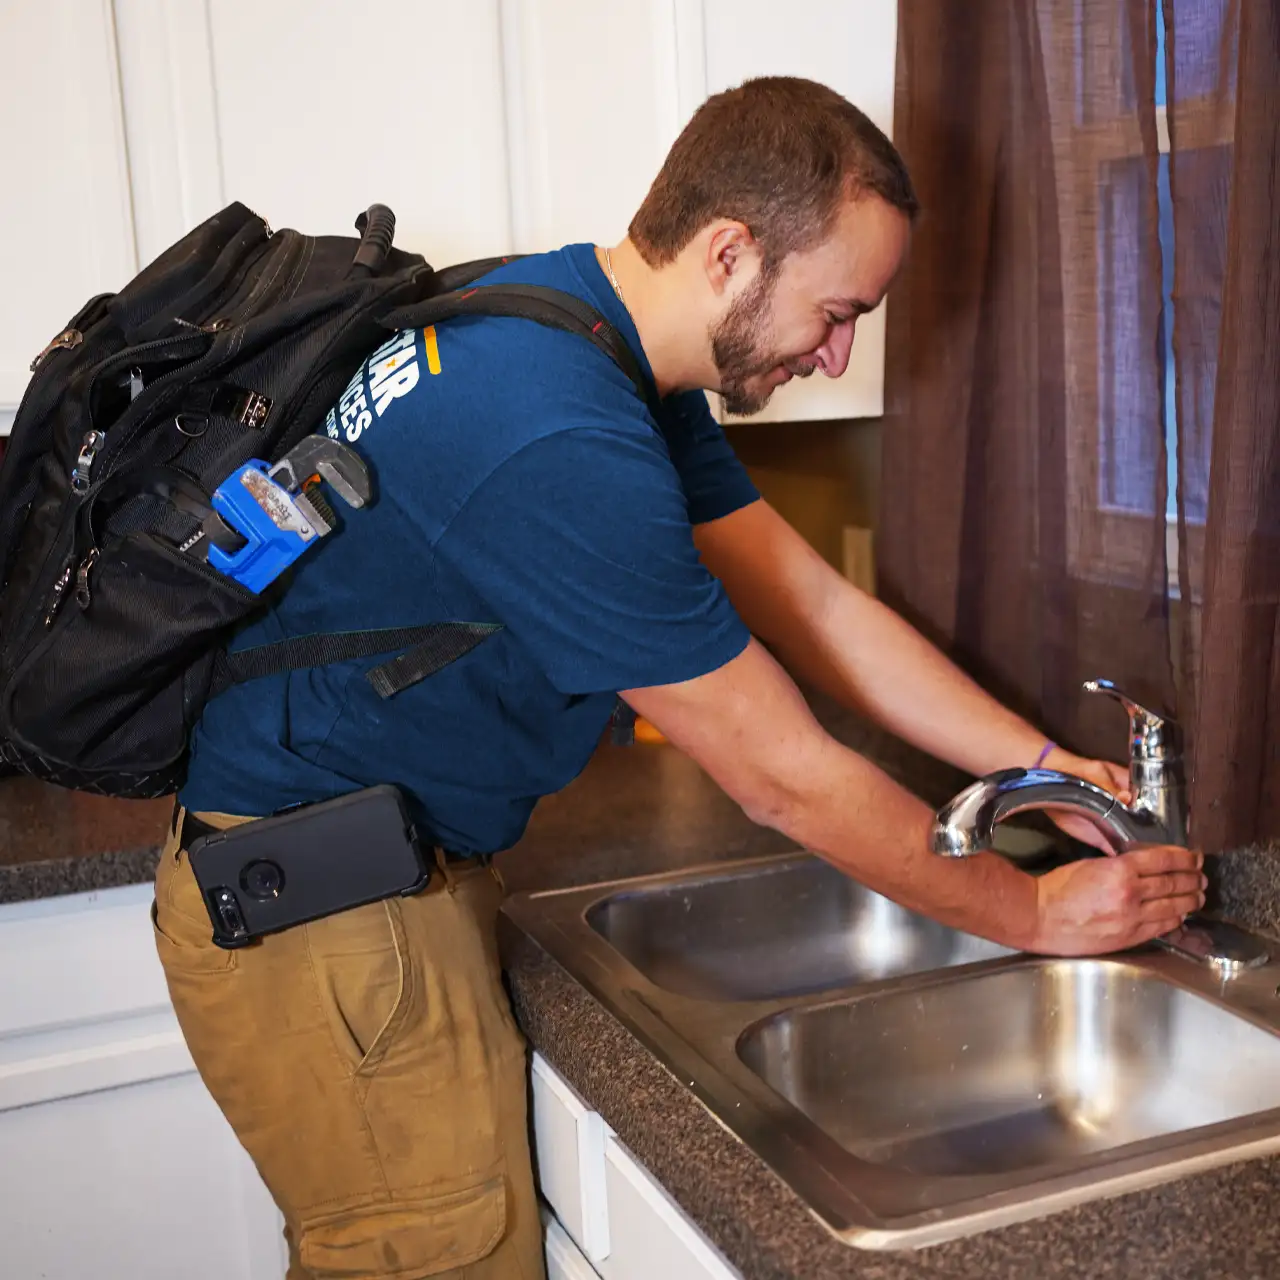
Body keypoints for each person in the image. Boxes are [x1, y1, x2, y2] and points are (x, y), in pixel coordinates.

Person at [152, 76, 1204, 1279]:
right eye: (835, 309)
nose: (838, 350)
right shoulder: (552, 429)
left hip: (343, 873)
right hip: (327, 919)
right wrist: (1029, 912)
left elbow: (810, 604)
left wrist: (1036, 764)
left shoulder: (576, 328)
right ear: (729, 251)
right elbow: (783, 778)